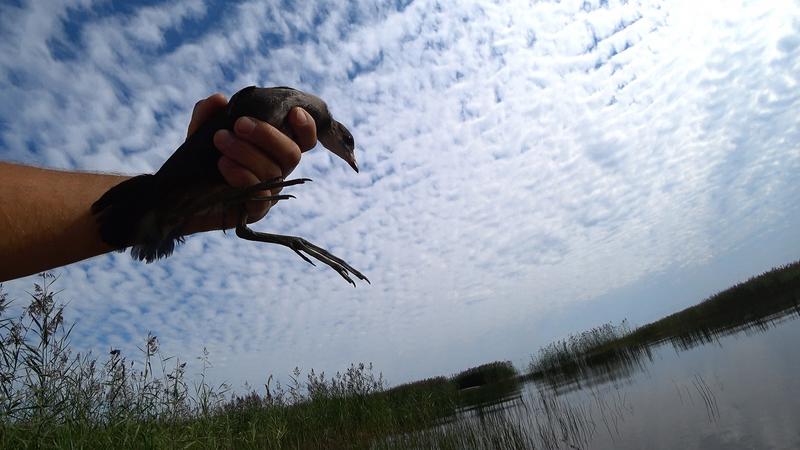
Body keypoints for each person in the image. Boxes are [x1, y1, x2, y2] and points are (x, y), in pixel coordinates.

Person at [0, 93, 317, 282]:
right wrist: (170, 196)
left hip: (165, 201)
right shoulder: (269, 102)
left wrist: (192, 200)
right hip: (158, 201)